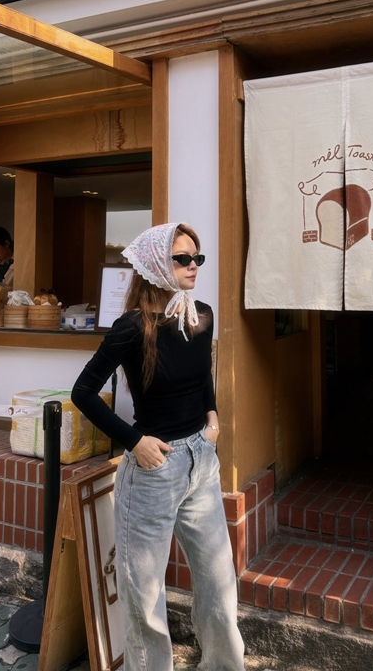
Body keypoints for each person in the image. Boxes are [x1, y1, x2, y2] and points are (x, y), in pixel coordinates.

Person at [71, 223, 245, 671]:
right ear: (155, 266)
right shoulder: (132, 328)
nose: (193, 266)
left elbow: (202, 377)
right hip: (153, 470)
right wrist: (134, 441)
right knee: (145, 596)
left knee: (219, 582)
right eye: (182, 259)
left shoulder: (201, 315)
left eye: (197, 258)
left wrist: (212, 418)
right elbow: (83, 392)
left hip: (201, 461)